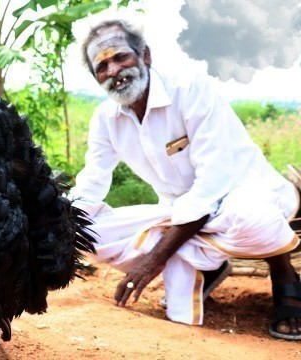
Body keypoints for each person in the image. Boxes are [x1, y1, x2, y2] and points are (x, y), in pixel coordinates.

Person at [68, 16, 301, 340]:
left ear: (145, 55)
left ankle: (282, 271)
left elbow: (213, 182)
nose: (114, 71)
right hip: (178, 212)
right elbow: (92, 182)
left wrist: (154, 260)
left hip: (240, 195)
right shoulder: (105, 119)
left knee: (255, 220)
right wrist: (51, 218)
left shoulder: (190, 90)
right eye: (102, 66)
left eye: (120, 56)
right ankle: (210, 265)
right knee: (84, 232)